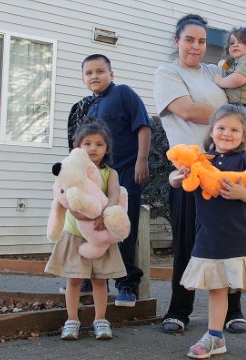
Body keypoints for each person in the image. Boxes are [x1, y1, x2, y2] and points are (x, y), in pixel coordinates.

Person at [153, 14, 246, 334]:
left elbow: (244, 93)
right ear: (177, 42)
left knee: (232, 240)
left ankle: (233, 311)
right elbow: (187, 109)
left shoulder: (216, 71)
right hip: (190, 170)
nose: (196, 46)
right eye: (189, 39)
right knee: (188, 241)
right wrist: (239, 116)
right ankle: (179, 310)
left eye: (202, 41)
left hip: (229, 168)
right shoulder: (168, 72)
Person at [171, 104, 246, 360]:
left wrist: (241, 193)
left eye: (234, 129)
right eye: (221, 127)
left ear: (244, 136)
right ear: (212, 131)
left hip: (242, 238)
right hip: (210, 239)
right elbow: (174, 178)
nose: (226, 133)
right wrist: (178, 177)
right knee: (217, 289)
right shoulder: (200, 160)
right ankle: (215, 336)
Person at [65, 54, 152, 307]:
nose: (94, 76)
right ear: (83, 78)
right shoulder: (87, 106)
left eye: (100, 71)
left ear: (111, 74)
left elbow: (143, 126)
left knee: (122, 226)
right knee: (90, 225)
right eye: (89, 73)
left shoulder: (123, 93)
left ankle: (126, 284)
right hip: (96, 178)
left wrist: (142, 160)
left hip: (126, 172)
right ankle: (86, 277)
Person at [45, 121, 127, 340]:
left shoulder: (111, 173)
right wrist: (80, 214)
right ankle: (72, 320)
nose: (93, 148)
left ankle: (101, 320)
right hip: (75, 234)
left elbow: (114, 195)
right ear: (77, 146)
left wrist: (104, 214)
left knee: (100, 280)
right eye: (88, 143)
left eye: (99, 144)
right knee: (74, 280)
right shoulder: (71, 170)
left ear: (107, 148)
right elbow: (67, 197)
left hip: (101, 235)